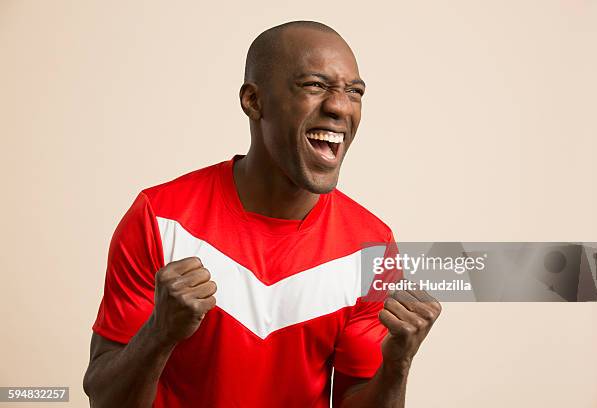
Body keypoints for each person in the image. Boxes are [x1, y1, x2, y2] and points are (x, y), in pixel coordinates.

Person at [83, 20, 441, 408]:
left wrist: (397, 364)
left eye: (354, 91)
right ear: (254, 101)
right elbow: (105, 400)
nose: (340, 106)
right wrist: (159, 333)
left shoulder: (372, 246)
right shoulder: (159, 219)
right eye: (315, 85)